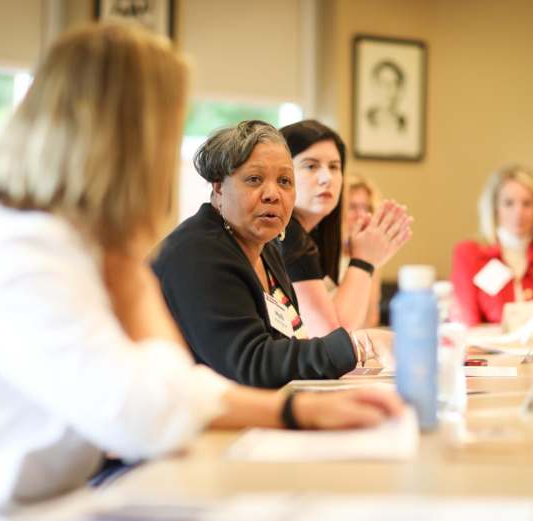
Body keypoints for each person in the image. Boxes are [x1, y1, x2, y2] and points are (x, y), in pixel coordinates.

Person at [0, 24, 403, 521]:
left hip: (43, 501)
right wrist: (130, 274)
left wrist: (296, 413)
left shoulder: (64, 239)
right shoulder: (13, 250)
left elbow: (176, 388)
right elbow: (143, 416)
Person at [154, 121, 393, 389]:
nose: (273, 194)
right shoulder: (198, 253)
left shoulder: (267, 249)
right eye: (254, 179)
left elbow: (285, 346)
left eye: (284, 181)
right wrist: (362, 345)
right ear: (219, 187)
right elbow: (252, 362)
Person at [279, 120, 412, 337]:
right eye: (311, 166)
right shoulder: (287, 235)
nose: (327, 178)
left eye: (334, 166)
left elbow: (364, 323)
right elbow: (332, 336)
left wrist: (370, 261)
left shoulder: (313, 236)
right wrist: (364, 261)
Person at [451, 164, 533, 325]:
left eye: (527, 204)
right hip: (487, 348)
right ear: (494, 209)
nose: (518, 212)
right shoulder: (469, 255)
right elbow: (467, 321)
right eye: (509, 203)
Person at [343, 174, 384, 328]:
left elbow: (371, 317)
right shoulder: (322, 253)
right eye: (352, 207)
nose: (360, 215)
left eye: (366, 208)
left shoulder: (370, 257)